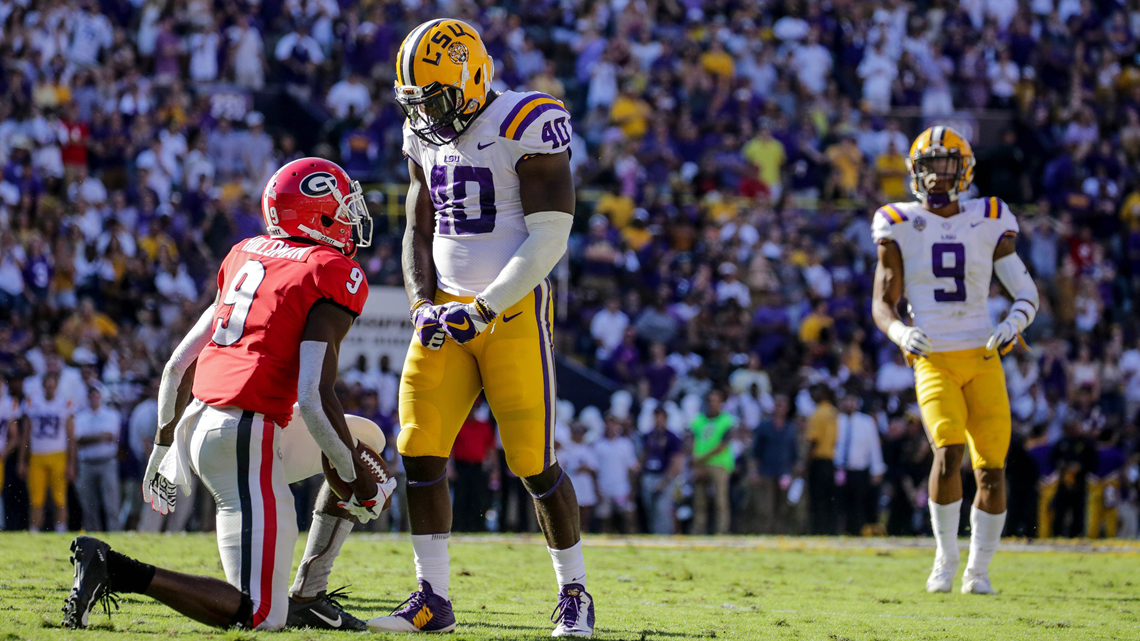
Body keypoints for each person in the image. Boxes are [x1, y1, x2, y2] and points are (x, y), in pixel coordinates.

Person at [63, 158, 397, 631]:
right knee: (259, 613)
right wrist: (356, 481)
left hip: (208, 422)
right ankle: (115, 570)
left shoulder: (246, 253)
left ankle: (309, 594)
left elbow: (177, 367)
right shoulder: (329, 269)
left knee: (365, 437)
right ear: (315, 214)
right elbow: (314, 396)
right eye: (342, 207)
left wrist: (162, 447)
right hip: (244, 434)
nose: (350, 217)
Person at [372, 20, 590, 637]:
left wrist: (487, 305)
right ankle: (432, 598)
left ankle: (574, 592)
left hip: (511, 313)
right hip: (443, 310)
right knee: (418, 450)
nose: (426, 113)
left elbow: (551, 234)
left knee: (533, 462)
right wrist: (420, 303)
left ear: (472, 78)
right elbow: (419, 226)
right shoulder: (422, 132)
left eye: (435, 98)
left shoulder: (526, 122)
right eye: (416, 100)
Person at [871, 126, 1040, 595]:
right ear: (914, 172)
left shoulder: (988, 217)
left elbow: (1025, 290)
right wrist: (901, 331)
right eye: (928, 166)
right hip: (934, 357)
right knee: (946, 452)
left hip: (983, 353)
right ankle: (945, 557)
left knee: (992, 468)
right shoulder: (897, 221)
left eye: (946, 165)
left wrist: (1015, 321)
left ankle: (979, 571)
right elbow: (882, 301)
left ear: (964, 170)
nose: (937, 175)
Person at [21, 372, 76, 533]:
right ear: (43, 386)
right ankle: (34, 531)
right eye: (47, 385)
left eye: (53, 386)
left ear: (56, 386)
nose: (50, 389)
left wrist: (71, 463)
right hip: (37, 455)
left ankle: (60, 530)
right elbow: (26, 434)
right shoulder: (32, 402)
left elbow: (71, 436)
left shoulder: (65, 403)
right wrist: (22, 461)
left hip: (58, 454)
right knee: (36, 498)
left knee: (59, 497)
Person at [833, 391, 886, 536]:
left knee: (858, 504)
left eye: (852, 400)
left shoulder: (866, 421)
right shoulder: (837, 420)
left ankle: (857, 532)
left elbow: (873, 446)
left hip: (859, 470)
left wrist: (877, 469)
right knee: (840, 503)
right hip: (839, 469)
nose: (849, 404)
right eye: (846, 400)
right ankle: (841, 531)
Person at [73, 386, 122, 532]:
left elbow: (111, 436)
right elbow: (78, 439)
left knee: (111, 503)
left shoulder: (111, 415)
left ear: (101, 397)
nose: (94, 399)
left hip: (107, 462)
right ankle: (92, 535)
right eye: (91, 396)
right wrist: (99, 436)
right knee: (88, 504)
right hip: (87, 463)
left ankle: (115, 533)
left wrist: (90, 438)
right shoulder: (80, 416)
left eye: (96, 395)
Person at [690, 389, 736, 535]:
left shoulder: (726, 420)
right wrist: (696, 463)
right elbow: (692, 441)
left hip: (719, 464)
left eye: (716, 401)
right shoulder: (698, 421)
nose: (713, 404)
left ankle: (721, 532)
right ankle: (698, 531)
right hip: (700, 464)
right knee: (699, 502)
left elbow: (723, 445)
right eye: (710, 401)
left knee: (720, 501)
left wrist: (700, 458)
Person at [640, 407, 683, 534]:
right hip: (649, 475)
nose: (658, 419)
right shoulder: (648, 436)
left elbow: (676, 461)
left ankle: (663, 536)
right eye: (656, 416)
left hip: (663, 476)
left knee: (662, 510)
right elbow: (643, 456)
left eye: (661, 416)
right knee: (650, 510)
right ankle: (653, 534)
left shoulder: (672, 437)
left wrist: (666, 480)